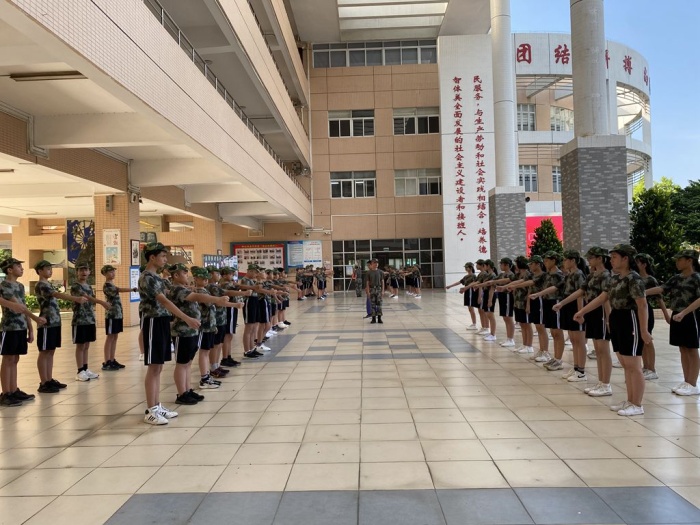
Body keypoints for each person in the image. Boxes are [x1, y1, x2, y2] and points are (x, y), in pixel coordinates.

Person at [574, 244, 651, 416]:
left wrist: (644, 330)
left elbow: (642, 305)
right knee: (625, 363)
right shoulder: (615, 278)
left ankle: (637, 404)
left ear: (626, 259)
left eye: (615, 257)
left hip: (630, 319)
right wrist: (582, 311)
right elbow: (603, 297)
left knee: (633, 365)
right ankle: (630, 400)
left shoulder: (634, 278)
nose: (612, 260)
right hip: (617, 318)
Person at [139, 242, 200, 425]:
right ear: (152, 257)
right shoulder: (147, 277)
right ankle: (150, 410)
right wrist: (186, 318)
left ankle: (157, 406)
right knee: (154, 367)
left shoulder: (157, 277)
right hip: (153, 322)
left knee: (158, 367)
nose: (165, 259)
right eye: (163, 256)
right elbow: (164, 301)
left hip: (162, 321)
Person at [167, 263, 234, 404]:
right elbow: (197, 296)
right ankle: (182, 394)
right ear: (176, 275)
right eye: (184, 273)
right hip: (182, 331)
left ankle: (187, 390)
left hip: (191, 330)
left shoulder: (183, 288)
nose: (187, 275)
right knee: (182, 363)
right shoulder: (176, 289)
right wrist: (217, 299)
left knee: (188, 363)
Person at [555, 247, 613, 396]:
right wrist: (562, 303)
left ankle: (605, 384)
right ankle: (601, 382)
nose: (589, 260)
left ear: (600, 258)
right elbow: (581, 291)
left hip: (601, 312)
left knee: (603, 349)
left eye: (591, 258)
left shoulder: (606, 275)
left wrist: (608, 319)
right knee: (598, 349)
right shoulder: (592, 275)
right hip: (591, 310)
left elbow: (605, 299)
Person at [646, 249, 700, 395]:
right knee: (683, 348)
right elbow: (662, 289)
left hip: (690, 315)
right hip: (678, 314)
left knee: (692, 349)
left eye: (679, 259)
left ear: (689, 260)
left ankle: (693, 383)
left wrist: (684, 312)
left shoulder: (697, 278)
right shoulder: (676, 278)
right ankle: (686, 381)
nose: (677, 262)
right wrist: (642, 292)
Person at [34, 259, 87, 393]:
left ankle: (49, 379)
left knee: (51, 351)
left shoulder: (48, 284)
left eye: (50, 269)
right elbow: (56, 294)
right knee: (44, 352)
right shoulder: (41, 285)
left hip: (54, 322)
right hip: (46, 322)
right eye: (47, 269)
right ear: (39, 271)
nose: (50, 271)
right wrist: (75, 299)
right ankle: (44, 382)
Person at [0, 257, 47, 406]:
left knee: (15, 359)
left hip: (21, 327)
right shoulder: (4, 285)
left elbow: (24, 307)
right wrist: (36, 318)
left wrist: (30, 328)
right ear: (9, 270)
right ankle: (6, 393)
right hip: (9, 327)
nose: (22, 268)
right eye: (18, 266)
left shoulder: (20, 286)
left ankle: (14, 390)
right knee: (8, 359)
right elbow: (18, 306)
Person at [551, 250, 588, 381]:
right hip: (568, 306)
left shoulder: (579, 274)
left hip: (576, 307)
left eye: (566, 260)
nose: (564, 262)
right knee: (573, 340)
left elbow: (580, 295)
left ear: (573, 261)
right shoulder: (569, 275)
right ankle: (576, 367)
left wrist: (580, 312)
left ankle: (581, 371)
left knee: (579, 340)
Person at [71, 262, 110, 382]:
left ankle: (85, 368)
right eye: (81, 270)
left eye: (86, 270)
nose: (83, 272)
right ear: (77, 272)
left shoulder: (88, 286)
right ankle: (80, 371)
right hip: (79, 320)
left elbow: (90, 299)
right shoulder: (76, 286)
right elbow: (87, 298)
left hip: (89, 319)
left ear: (89, 272)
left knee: (87, 345)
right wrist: (102, 302)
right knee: (80, 345)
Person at [634, 253, 670, 381]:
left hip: (646, 310)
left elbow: (660, 299)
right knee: (641, 340)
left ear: (644, 264)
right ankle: (646, 366)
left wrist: (666, 315)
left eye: (638, 262)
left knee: (647, 339)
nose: (635, 264)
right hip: (635, 311)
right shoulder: (634, 277)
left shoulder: (650, 279)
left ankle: (652, 369)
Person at [507, 255, 549, 362]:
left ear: (538, 264)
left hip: (540, 300)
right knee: (538, 327)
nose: (529, 266)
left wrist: (514, 286)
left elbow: (530, 283)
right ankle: (541, 350)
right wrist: (507, 286)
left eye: (531, 264)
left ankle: (545, 352)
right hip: (533, 300)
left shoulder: (543, 275)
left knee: (541, 327)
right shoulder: (533, 275)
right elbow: (522, 282)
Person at [529, 251, 566, 371]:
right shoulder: (547, 274)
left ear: (553, 260)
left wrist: (538, 294)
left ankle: (559, 360)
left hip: (555, 302)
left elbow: (554, 288)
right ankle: (555, 358)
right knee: (553, 332)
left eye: (547, 260)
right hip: (547, 302)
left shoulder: (559, 274)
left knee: (557, 332)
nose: (544, 263)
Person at [101, 264, 137, 371]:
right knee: (110, 337)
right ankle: (107, 361)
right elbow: (119, 290)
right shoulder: (107, 286)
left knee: (115, 337)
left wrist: (132, 290)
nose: (113, 273)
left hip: (117, 314)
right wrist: (132, 289)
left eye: (113, 271)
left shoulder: (111, 284)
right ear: (105, 274)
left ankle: (112, 359)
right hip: (111, 315)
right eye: (110, 272)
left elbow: (118, 289)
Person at [446, 262, 478, 330]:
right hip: (467, 291)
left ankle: (474, 324)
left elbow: (474, 284)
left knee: (471, 308)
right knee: (469, 308)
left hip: (470, 292)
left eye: (467, 267)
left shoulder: (473, 276)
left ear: (471, 268)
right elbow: (459, 282)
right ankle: (473, 323)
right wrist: (450, 286)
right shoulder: (466, 276)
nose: (466, 268)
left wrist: (465, 288)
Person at [366, 258, 384, 323]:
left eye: (377, 263)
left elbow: (382, 281)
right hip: (372, 289)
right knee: (372, 304)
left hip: (378, 289)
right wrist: (368, 291)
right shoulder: (369, 272)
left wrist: (382, 291)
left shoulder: (381, 272)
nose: (376, 264)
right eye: (374, 263)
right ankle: (373, 318)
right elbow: (367, 282)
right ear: (371, 264)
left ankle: (379, 318)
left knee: (379, 304)